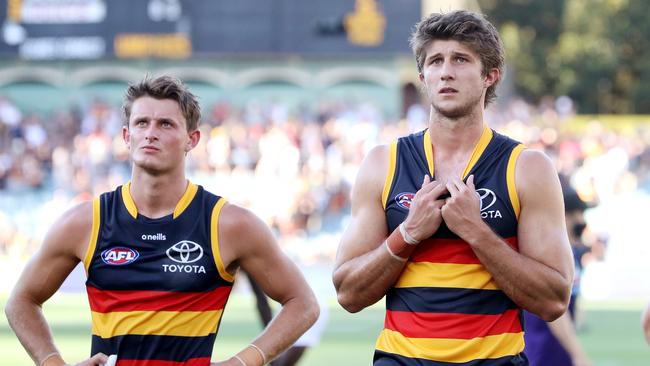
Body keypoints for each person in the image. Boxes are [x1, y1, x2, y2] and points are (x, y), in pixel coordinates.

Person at [5, 75, 319, 366]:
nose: (151, 133)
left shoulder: (229, 224)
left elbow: (303, 304)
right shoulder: (85, 222)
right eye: (142, 123)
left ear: (191, 140)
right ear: (127, 136)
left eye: (166, 124)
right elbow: (21, 301)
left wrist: (242, 362)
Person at [332, 10, 574, 365]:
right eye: (435, 61)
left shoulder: (526, 168)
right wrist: (408, 233)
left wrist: (476, 231)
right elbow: (348, 293)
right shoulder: (383, 162)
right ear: (422, 76)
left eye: (461, 59)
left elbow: (553, 300)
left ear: (490, 75)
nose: (446, 71)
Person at [523, 187, 594, 366]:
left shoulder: (572, 253)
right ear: (565, 216)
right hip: (542, 350)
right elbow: (554, 307)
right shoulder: (548, 252)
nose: (582, 220)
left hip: (558, 348)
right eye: (578, 213)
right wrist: (578, 354)